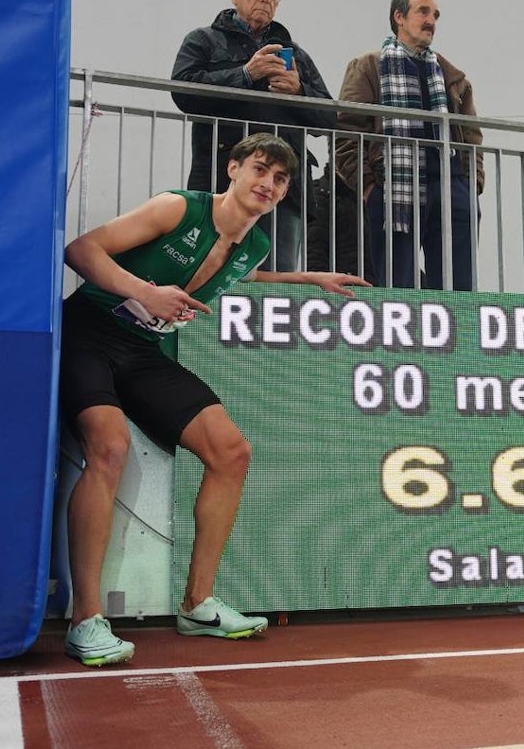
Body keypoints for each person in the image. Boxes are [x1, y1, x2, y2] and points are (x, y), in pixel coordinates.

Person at [59, 133, 368, 666]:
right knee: (109, 448)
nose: (267, 184)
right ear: (232, 169)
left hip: (142, 350)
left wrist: (306, 277)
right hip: (88, 331)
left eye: (279, 179)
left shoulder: (255, 245)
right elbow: (81, 249)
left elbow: (241, 272)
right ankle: (85, 619)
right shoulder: (178, 208)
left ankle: (198, 604)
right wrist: (144, 291)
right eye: (260, 170)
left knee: (232, 452)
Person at [171, 0, 336, 272]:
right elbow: (183, 92)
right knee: (209, 271)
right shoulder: (203, 40)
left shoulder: (296, 54)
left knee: (277, 280)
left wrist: (299, 92)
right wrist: (245, 75)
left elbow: (329, 119)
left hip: (283, 188)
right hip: (221, 179)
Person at [335, 0, 484, 290]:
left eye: (436, 15)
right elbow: (346, 131)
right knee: (397, 286)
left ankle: (457, 337)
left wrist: (471, 184)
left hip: (450, 185)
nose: (431, 21)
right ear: (399, 17)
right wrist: (367, 185)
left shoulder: (451, 75)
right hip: (394, 185)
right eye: (424, 12)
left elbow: (471, 135)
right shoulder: (368, 66)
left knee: (459, 287)